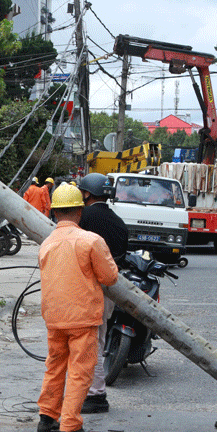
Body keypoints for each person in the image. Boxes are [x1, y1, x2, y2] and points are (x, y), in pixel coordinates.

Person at [36, 184, 118, 432]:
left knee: (55, 366)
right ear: (80, 212)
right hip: (82, 316)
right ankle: (70, 425)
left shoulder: (46, 243)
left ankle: (47, 416)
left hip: (54, 316)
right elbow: (110, 277)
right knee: (81, 370)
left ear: (55, 213)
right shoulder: (91, 241)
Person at [77, 172, 127, 415]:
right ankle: (88, 390)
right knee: (99, 337)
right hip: (108, 290)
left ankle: (95, 394)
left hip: (87, 289)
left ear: (86, 193)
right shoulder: (118, 222)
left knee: (89, 342)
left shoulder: (83, 217)